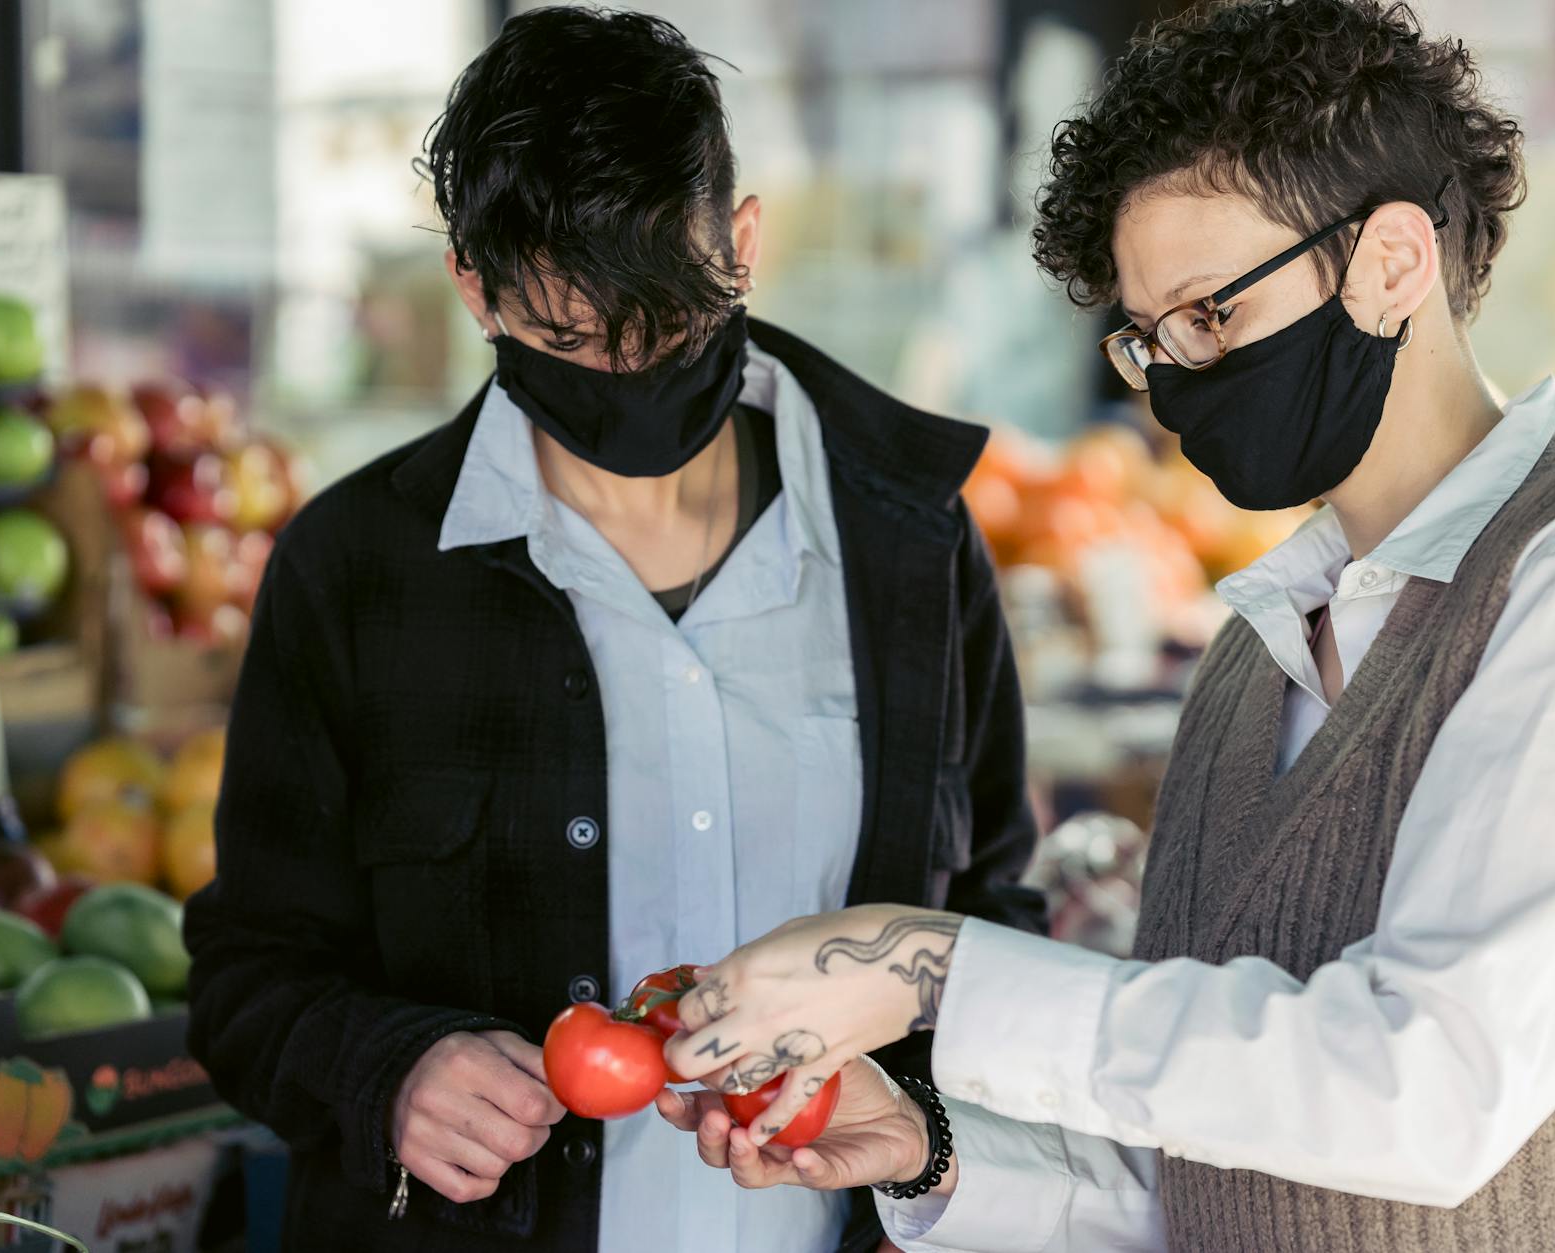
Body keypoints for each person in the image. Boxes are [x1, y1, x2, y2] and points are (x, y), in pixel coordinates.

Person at [655, 3, 1555, 1250]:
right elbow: (1234, 1161)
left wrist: (929, 966)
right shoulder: (1248, 657)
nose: (1175, 383)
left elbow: (1425, 1089)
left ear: (1391, 263)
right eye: (1149, 339)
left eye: (1211, 315)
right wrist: (934, 1144)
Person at [182, 8, 1044, 1253]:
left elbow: (991, 920)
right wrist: (390, 1069)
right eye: (570, 338)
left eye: (670, 324)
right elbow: (248, 972)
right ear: (472, 289)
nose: (628, 369)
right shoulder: (357, 569)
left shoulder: (908, 545)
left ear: (739, 245)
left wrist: (914, 1116)